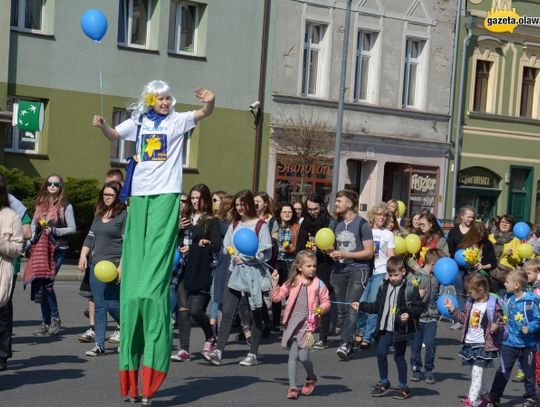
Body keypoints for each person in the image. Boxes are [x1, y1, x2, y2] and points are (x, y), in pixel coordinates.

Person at [92, 80, 214, 404]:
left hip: (165, 196)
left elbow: (203, 113)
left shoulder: (177, 121)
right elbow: (115, 137)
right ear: (151, 99)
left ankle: (151, 293)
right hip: (140, 197)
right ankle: (132, 379)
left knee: (151, 282)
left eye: (169, 98)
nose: (165, 102)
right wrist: (103, 125)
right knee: (134, 286)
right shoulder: (141, 121)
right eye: (160, 98)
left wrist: (210, 101)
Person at [203, 190, 272, 367]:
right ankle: (218, 351)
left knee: (255, 312)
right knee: (227, 312)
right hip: (234, 273)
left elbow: (266, 252)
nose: (240, 208)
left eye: (243, 204)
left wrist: (249, 257)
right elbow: (227, 246)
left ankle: (253, 353)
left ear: (250, 204)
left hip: (254, 275)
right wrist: (234, 254)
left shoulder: (260, 225)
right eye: (237, 205)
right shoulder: (235, 224)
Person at [353, 256, 423, 400]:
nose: (392, 278)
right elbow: (376, 306)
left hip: (400, 329)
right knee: (380, 353)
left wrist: (408, 314)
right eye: (390, 275)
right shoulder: (384, 286)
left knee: (399, 357)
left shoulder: (410, 287)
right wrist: (361, 306)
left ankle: (404, 386)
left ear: (403, 271)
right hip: (385, 328)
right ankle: (384, 382)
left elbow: (418, 307)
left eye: (395, 275)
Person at [270, 250, 330, 399]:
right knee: (293, 356)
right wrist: (274, 283)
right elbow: (277, 297)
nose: (313, 269)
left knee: (303, 357)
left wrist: (321, 309)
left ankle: (311, 377)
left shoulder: (318, 284)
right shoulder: (293, 281)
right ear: (299, 267)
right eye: (309, 266)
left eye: (314, 266)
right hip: (292, 323)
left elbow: (326, 301)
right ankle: (292, 387)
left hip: (307, 326)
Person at [172, 184, 221, 362]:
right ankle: (184, 349)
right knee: (183, 309)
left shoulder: (211, 221)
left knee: (195, 311)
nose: (194, 201)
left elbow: (216, 246)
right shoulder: (185, 218)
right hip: (182, 268)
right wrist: (176, 229)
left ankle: (210, 335)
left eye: (198, 198)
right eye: (192, 198)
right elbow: (173, 241)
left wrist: (198, 245)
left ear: (205, 199)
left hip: (200, 269)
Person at [78, 181, 126, 356]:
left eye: (111, 195)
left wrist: (121, 266)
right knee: (99, 305)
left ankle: (128, 333)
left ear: (118, 197)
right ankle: (99, 345)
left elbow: (127, 243)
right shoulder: (99, 214)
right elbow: (90, 237)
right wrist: (83, 255)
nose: (107, 198)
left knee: (113, 305)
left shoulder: (124, 215)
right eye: (105, 194)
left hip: (114, 266)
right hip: (96, 266)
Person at [25, 174, 76, 337]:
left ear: (60, 186)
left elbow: (72, 228)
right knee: (40, 284)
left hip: (58, 248)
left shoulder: (66, 205)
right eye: (50, 183)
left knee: (48, 284)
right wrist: (29, 242)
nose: (52, 186)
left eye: (56, 184)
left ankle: (55, 319)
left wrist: (54, 230)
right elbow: (33, 224)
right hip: (41, 249)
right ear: (46, 185)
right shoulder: (41, 204)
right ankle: (45, 322)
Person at [445, 273, 504, 407]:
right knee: (476, 374)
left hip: (483, 344)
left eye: (470, 292)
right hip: (470, 343)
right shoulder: (471, 303)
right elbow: (463, 318)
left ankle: (470, 401)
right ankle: (485, 398)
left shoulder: (492, 305)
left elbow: (501, 321)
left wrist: (496, 326)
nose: (468, 294)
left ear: (481, 289)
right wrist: (453, 310)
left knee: (476, 372)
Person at [329, 189, 374, 361]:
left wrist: (346, 254)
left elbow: (369, 252)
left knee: (351, 306)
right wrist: (330, 252)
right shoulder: (334, 224)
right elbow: (330, 246)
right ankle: (348, 339)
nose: (336, 204)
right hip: (339, 270)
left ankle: (346, 344)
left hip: (358, 270)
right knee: (341, 309)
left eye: (339, 201)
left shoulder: (362, 224)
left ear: (349, 203)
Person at [487, 269, 540, 407]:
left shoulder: (529, 302)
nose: (504, 284)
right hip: (509, 342)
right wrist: (498, 326)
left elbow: (537, 320)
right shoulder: (509, 300)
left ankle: (531, 397)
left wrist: (530, 328)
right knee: (503, 370)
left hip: (527, 344)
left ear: (516, 285)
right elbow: (506, 319)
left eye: (507, 282)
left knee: (529, 373)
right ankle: (494, 396)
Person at [296, 194, 335, 349]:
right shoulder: (305, 222)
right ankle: (305, 331)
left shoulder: (328, 221)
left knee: (322, 299)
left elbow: (330, 245)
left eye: (315, 209)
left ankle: (323, 336)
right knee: (306, 299)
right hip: (307, 264)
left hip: (324, 264)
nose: (312, 212)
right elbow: (299, 245)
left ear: (321, 207)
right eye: (310, 209)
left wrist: (319, 248)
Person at [356, 203, 395, 349]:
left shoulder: (388, 234)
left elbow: (391, 256)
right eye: (379, 214)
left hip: (380, 272)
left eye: (384, 215)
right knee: (360, 302)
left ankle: (367, 336)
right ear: (374, 216)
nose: (382, 217)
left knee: (372, 303)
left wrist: (389, 273)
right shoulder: (366, 231)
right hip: (365, 271)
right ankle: (360, 330)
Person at [409, 248, 445, 384]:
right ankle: (416, 369)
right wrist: (416, 293)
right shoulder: (417, 276)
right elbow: (407, 293)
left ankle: (429, 370)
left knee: (430, 343)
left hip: (432, 317)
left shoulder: (439, 278)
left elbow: (442, 293)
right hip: (418, 317)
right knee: (415, 345)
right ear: (434, 264)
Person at [0, 174, 24, 371]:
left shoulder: (11, 216)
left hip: (2, 269)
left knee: (2, 313)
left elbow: (17, 249)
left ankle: (2, 356)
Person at [446, 205, 476, 329]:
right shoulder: (454, 231)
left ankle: (471, 317)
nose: (471, 219)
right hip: (457, 266)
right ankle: (461, 319)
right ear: (462, 216)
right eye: (468, 217)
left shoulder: (475, 230)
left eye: (472, 217)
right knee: (460, 292)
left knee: (472, 291)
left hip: (472, 266)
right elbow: (450, 249)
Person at [271, 202, 300, 331]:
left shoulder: (296, 227)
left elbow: (298, 245)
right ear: (280, 213)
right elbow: (272, 243)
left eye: (290, 212)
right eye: (285, 212)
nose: (287, 214)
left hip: (291, 262)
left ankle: (288, 320)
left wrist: (291, 248)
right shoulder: (275, 226)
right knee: (276, 290)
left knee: (290, 292)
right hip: (278, 261)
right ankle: (275, 321)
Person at [208, 194, 233, 336]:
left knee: (226, 297)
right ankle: (213, 324)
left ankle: (224, 325)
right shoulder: (218, 222)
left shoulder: (235, 223)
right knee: (216, 294)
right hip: (220, 260)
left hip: (232, 260)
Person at [488, 214, 522, 294]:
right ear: (499, 223)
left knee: (501, 299)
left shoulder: (515, 240)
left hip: (504, 275)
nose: (504, 224)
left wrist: (511, 255)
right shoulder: (490, 237)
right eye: (503, 222)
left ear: (511, 226)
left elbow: (518, 260)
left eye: (508, 223)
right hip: (489, 272)